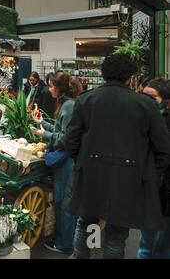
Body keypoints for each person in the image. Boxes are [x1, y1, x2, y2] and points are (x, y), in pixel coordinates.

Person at [64, 54, 170, 259]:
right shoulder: (145, 105)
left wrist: (83, 162)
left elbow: (71, 142)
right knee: (116, 233)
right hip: (128, 179)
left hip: (91, 175)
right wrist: (147, 174)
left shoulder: (86, 100)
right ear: (130, 77)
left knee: (88, 224)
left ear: (104, 73)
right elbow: (163, 150)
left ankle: (85, 255)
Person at [31, 73, 83, 254]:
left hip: (67, 160)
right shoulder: (68, 104)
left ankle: (65, 244)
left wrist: (43, 134)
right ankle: (67, 239)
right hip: (68, 159)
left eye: (52, 86)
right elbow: (61, 129)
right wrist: (42, 122)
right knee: (64, 200)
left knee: (64, 201)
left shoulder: (68, 106)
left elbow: (65, 139)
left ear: (60, 88)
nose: (49, 89)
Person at [137, 78, 170, 259]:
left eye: (153, 98)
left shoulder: (162, 120)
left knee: (160, 242)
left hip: (161, 187)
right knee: (148, 239)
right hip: (150, 186)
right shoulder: (144, 119)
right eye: (144, 96)